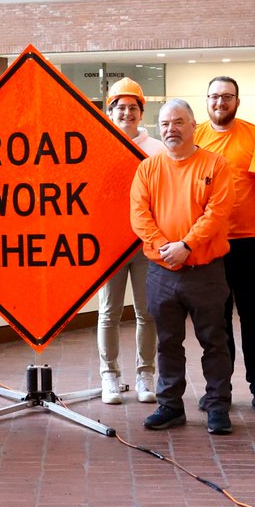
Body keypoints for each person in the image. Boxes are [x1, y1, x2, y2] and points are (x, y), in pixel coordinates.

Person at [131, 99, 234, 435]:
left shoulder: (215, 165)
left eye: (178, 122)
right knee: (168, 342)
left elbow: (217, 214)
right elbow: (139, 215)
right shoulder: (148, 168)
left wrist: (186, 245)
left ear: (193, 126)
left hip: (205, 271)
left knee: (214, 342)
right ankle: (170, 406)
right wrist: (165, 248)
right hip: (162, 273)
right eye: (165, 124)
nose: (171, 129)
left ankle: (217, 407)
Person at [194, 75, 255, 414]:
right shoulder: (194, 136)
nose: (220, 103)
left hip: (247, 243)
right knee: (217, 320)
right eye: (214, 96)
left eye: (227, 97)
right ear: (207, 100)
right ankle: (220, 388)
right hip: (210, 244)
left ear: (237, 101)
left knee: (253, 317)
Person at [95, 77, 161, 406]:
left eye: (132, 107)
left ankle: (145, 374)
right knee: (108, 312)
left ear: (141, 112)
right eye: (120, 107)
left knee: (146, 313)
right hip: (109, 246)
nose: (126, 113)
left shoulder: (157, 150)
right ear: (110, 112)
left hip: (145, 245)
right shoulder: (97, 148)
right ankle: (109, 375)